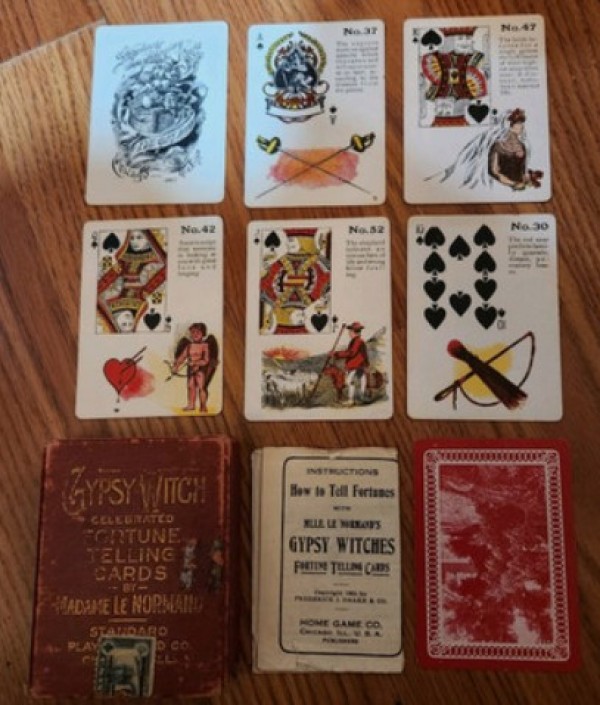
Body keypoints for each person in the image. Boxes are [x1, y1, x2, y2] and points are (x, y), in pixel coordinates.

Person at [488, 108, 543, 190]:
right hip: (504, 188)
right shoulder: (498, 146)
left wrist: (529, 179)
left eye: (522, 123)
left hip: (520, 186)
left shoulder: (522, 146)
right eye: (519, 123)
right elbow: (494, 172)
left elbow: (522, 171)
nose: (522, 126)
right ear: (509, 125)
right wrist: (513, 184)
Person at [172, 323, 217, 412]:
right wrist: (176, 365)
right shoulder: (189, 346)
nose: (195, 334)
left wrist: (196, 363)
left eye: (198, 332)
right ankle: (191, 405)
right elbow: (182, 357)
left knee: (201, 387)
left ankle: (203, 406)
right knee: (190, 386)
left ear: (203, 333)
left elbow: (206, 360)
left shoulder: (205, 346)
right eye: (193, 332)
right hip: (191, 369)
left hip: (201, 369)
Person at [329, 322, 369, 405]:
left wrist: (336, 354)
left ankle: (352, 400)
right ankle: (360, 397)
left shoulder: (357, 341)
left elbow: (351, 353)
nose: (349, 333)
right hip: (359, 365)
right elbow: (353, 352)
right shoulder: (357, 341)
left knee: (349, 381)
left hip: (356, 365)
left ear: (353, 332)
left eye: (350, 331)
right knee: (361, 380)